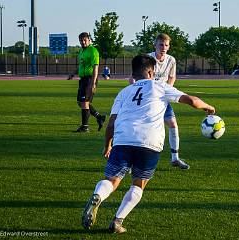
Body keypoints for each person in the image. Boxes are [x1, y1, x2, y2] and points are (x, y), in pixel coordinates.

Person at [82, 54, 215, 234]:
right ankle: (117, 221)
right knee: (138, 184)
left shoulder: (124, 92)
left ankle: (98, 195)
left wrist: (108, 145)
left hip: (122, 141)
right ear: (151, 72)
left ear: (134, 73)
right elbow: (191, 100)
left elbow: (111, 123)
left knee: (111, 181)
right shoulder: (160, 86)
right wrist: (208, 107)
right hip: (149, 142)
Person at [129, 33, 190, 169]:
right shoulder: (148, 59)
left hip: (162, 98)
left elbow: (171, 78)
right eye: (161, 44)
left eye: (166, 45)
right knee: (142, 128)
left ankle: (175, 158)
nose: (163, 47)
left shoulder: (171, 60)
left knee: (173, 124)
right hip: (147, 99)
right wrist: (134, 90)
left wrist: (166, 92)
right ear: (155, 45)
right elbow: (133, 78)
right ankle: (132, 162)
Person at [75, 32, 106, 132]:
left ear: (89, 40)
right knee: (81, 103)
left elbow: (95, 68)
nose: (83, 42)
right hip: (83, 79)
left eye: (85, 40)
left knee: (84, 103)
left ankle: (85, 127)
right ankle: (99, 117)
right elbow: (81, 65)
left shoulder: (93, 51)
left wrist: (93, 83)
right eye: (81, 40)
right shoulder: (81, 51)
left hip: (89, 79)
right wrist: (73, 73)